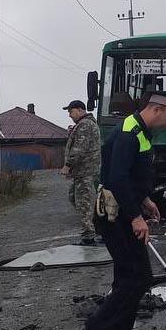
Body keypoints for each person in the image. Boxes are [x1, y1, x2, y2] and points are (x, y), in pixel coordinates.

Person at [75, 92, 166, 330]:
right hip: (115, 216)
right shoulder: (130, 132)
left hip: (125, 211)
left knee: (135, 278)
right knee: (133, 279)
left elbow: (129, 175)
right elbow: (116, 178)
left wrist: (145, 200)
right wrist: (136, 217)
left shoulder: (141, 132)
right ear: (157, 109)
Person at [61, 100, 101, 245]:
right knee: (75, 197)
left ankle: (89, 237)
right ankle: (99, 230)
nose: (70, 115)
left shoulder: (85, 125)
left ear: (79, 110)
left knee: (84, 203)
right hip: (83, 172)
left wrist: (68, 165)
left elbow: (79, 148)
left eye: (71, 112)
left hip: (86, 172)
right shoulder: (85, 124)